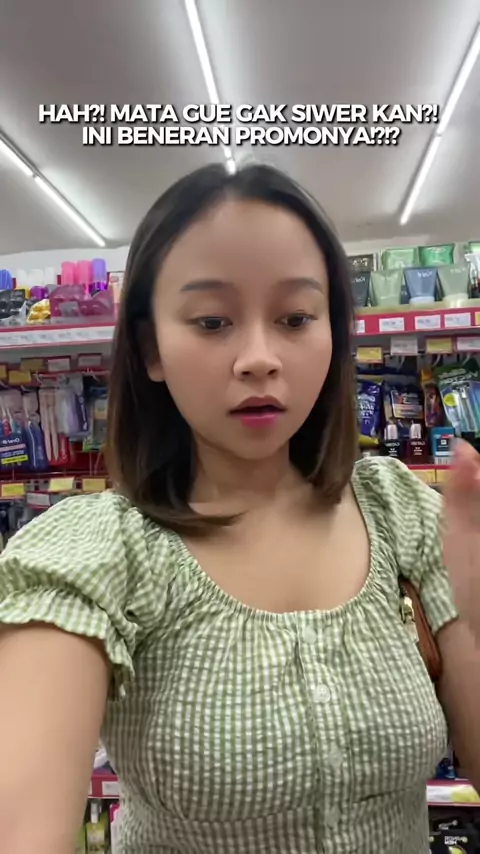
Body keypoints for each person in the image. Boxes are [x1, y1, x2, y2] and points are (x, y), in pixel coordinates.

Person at [0, 162, 479, 854]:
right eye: (213, 321)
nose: (259, 357)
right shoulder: (94, 555)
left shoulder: (402, 512)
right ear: (150, 348)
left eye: (295, 318)